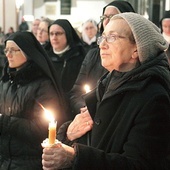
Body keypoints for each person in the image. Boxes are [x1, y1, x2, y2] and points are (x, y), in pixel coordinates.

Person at [42, 12, 170, 170]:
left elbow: (140, 164)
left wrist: (75, 157)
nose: (102, 44)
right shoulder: (108, 82)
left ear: (136, 49)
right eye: (102, 37)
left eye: (112, 37)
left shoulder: (153, 97)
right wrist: (68, 133)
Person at [0, 31, 68, 169]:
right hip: (5, 161)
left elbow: (43, 128)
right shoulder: (6, 82)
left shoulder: (43, 85)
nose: (8, 55)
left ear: (27, 52)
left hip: (30, 162)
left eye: (13, 50)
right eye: (6, 50)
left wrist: (5, 122)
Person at [69, 1, 135, 116]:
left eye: (112, 16)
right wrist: (85, 107)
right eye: (104, 17)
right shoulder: (93, 55)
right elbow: (76, 92)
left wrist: (97, 110)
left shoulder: (132, 57)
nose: (107, 21)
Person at [47, 19, 86, 119]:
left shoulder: (79, 55)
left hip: (72, 108)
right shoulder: (45, 57)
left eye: (58, 33)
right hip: (51, 107)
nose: (54, 37)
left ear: (68, 34)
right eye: (51, 34)